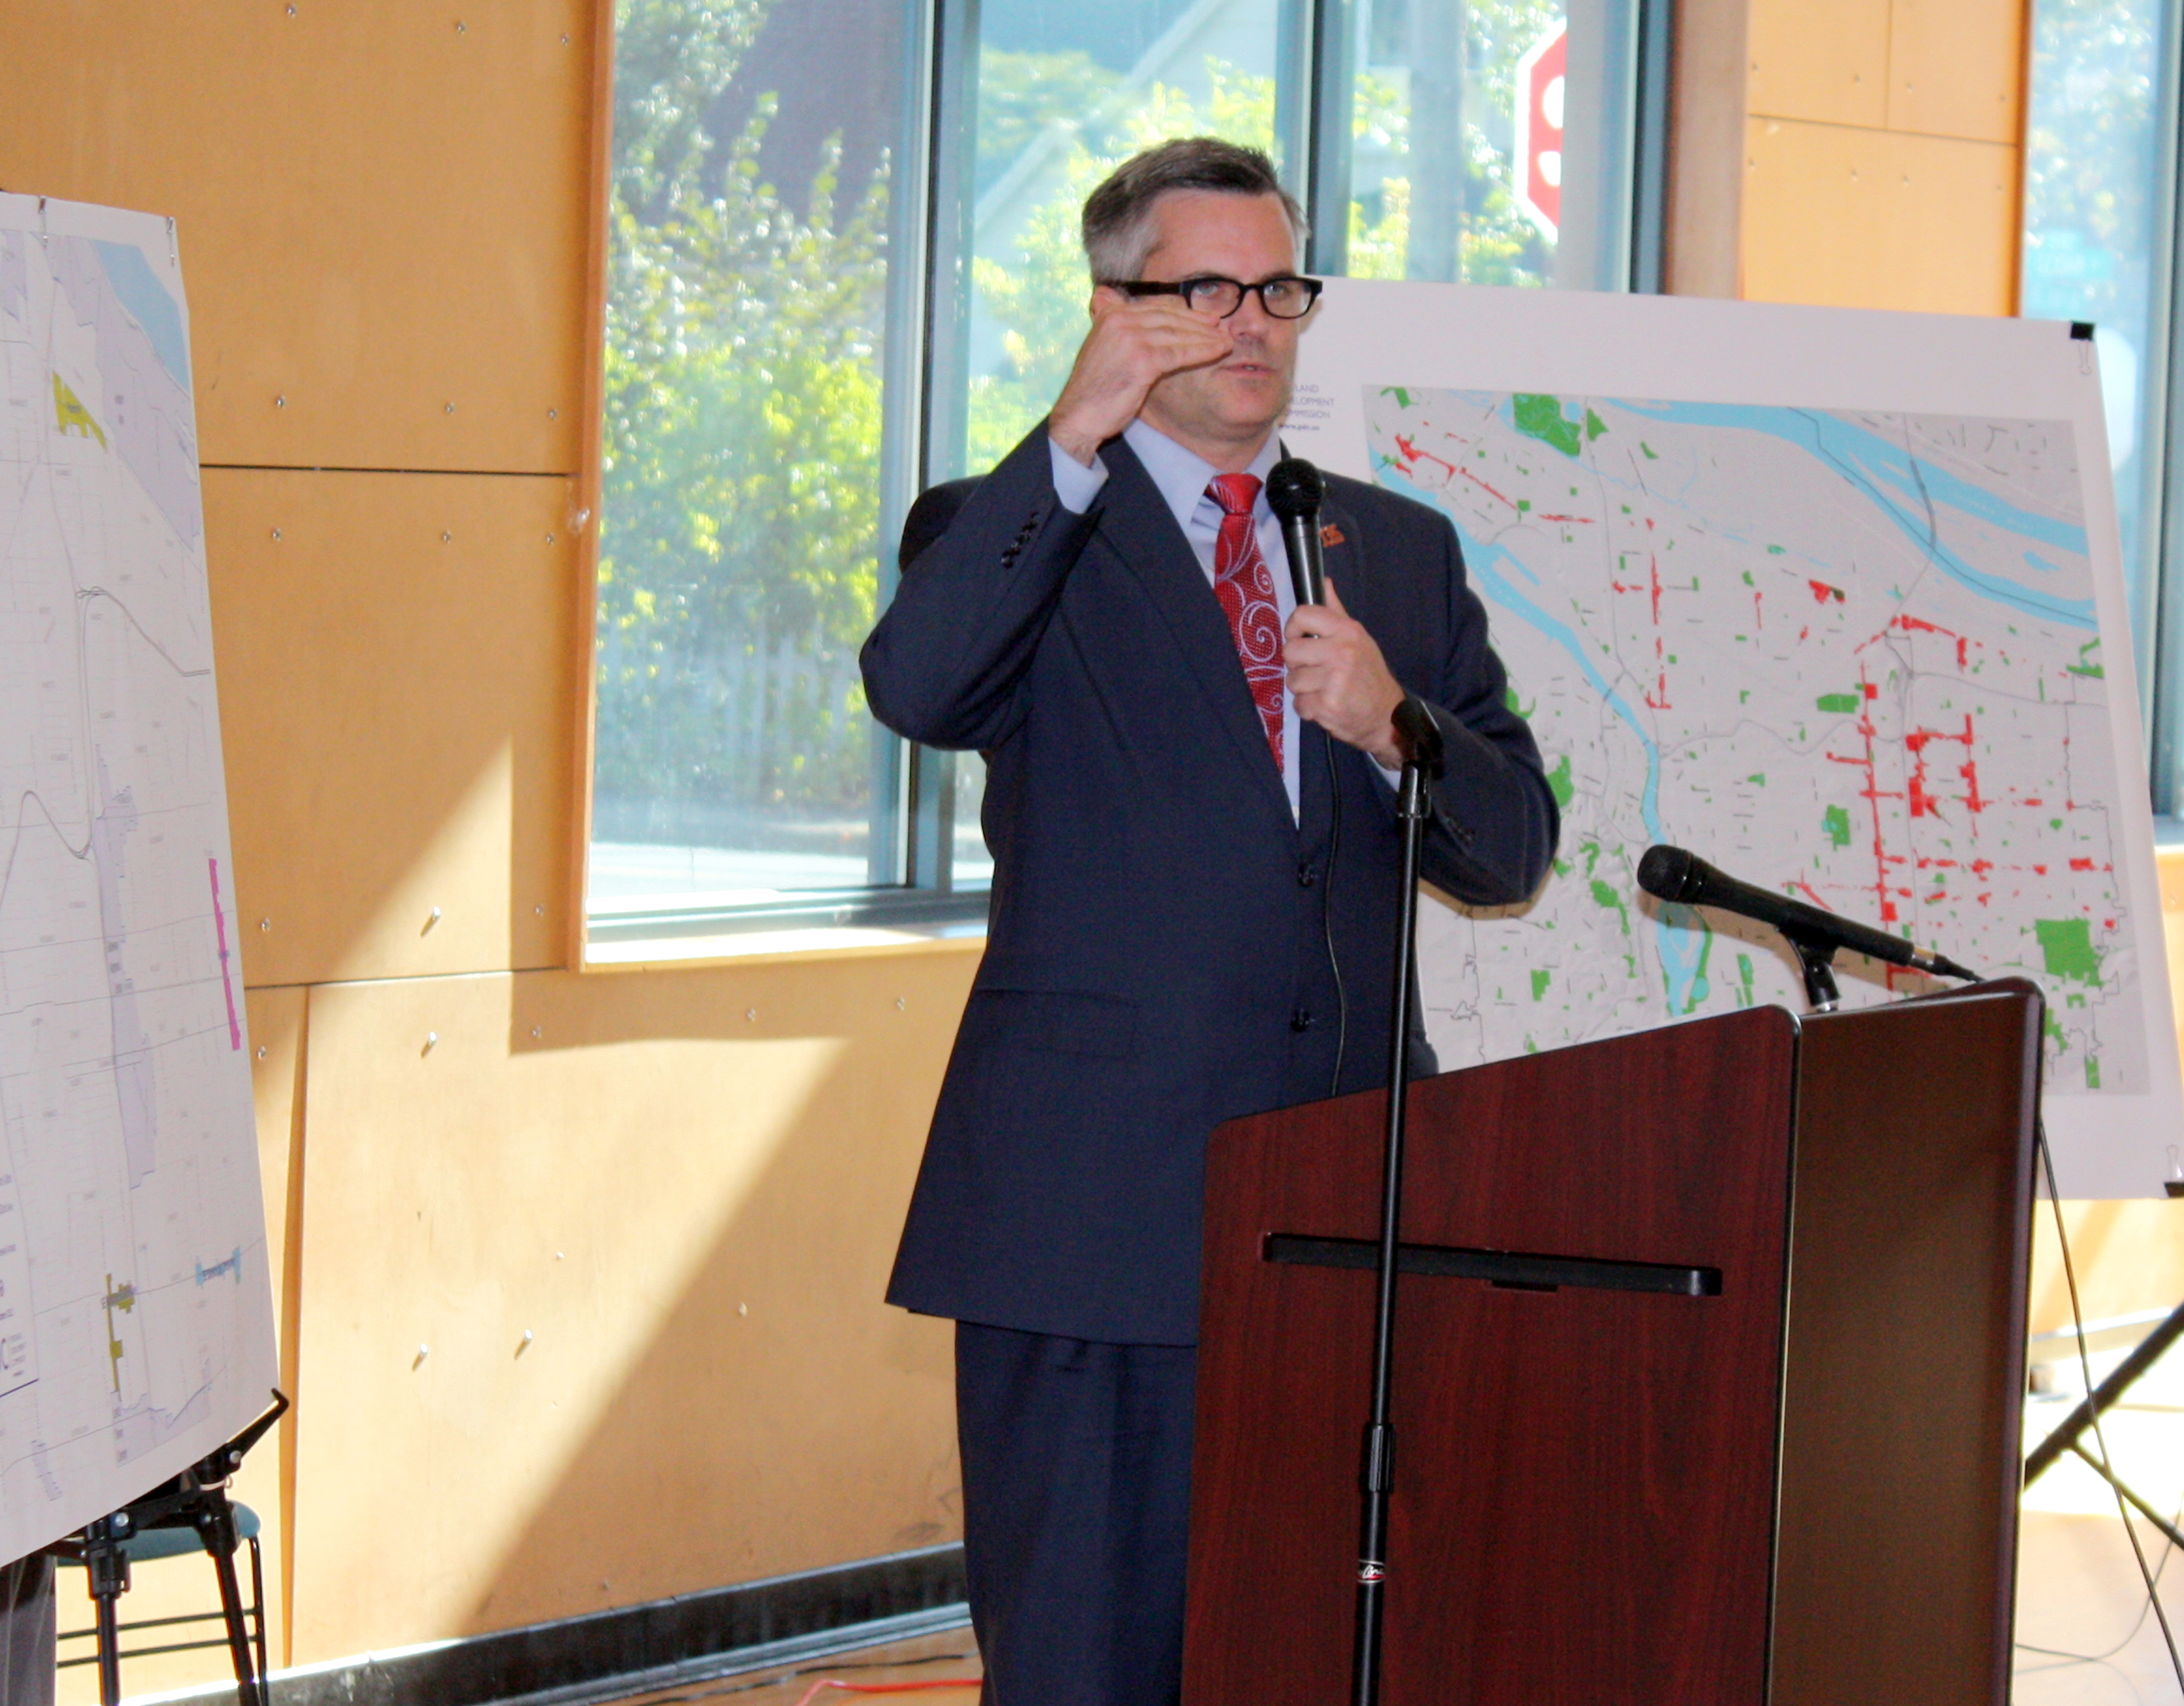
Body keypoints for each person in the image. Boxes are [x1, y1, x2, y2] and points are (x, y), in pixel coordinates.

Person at [861, 137, 1557, 1703]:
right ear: (1116, 309)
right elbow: (920, 688)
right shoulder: (1009, 523)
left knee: (1310, 1653)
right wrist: (1073, 437)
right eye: (1204, 292)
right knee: (1085, 1660)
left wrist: (1397, 727)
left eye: (1276, 289)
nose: (1252, 325)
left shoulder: (1392, 547)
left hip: (1348, 1210)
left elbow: (1510, 848)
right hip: (1095, 1218)